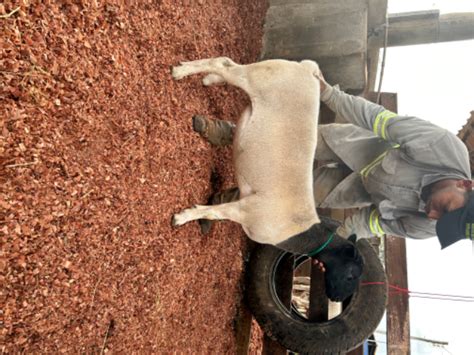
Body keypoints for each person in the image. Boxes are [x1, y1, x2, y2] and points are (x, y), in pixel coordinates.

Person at [192, 70, 474, 251]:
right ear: (464, 183)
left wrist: (342, 237)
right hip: (358, 147)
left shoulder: (430, 226)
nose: (433, 216)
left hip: (355, 190)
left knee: (291, 196)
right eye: (445, 209)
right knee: (286, 143)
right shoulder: (442, 147)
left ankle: (225, 201)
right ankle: (226, 133)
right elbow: (378, 119)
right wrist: (330, 94)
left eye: (442, 223)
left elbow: (375, 222)